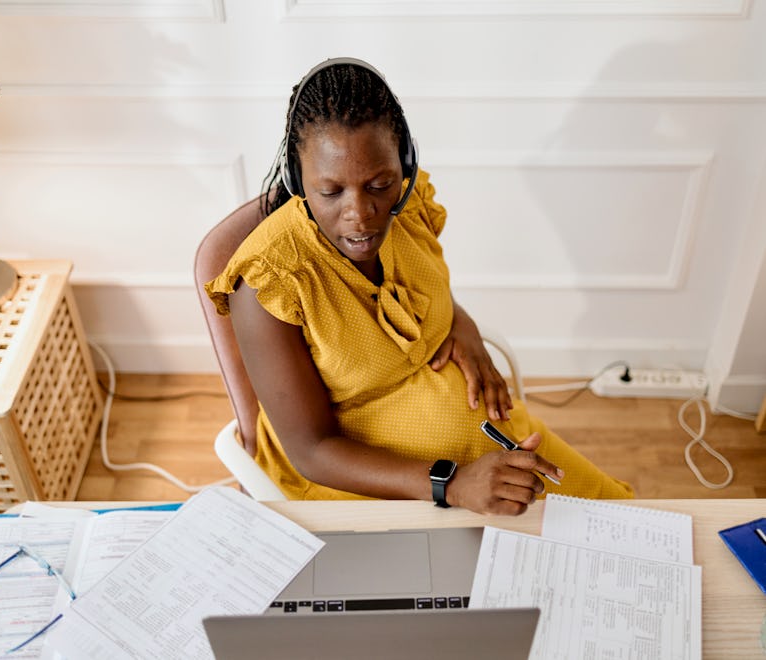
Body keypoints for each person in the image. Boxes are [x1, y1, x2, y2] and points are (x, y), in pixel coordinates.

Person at [206, 57, 633, 515]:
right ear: (297, 179)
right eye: (331, 192)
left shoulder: (409, 206)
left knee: (620, 522)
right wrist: (452, 484)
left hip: (487, 446)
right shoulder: (268, 283)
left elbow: (420, 282)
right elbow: (312, 451)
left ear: (402, 165)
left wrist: (460, 321)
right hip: (367, 485)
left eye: (379, 184)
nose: (361, 212)